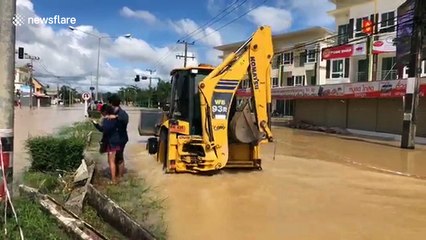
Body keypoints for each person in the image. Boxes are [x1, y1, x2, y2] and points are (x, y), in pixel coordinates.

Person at [92, 104, 121, 184]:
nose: (101, 114)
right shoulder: (114, 118)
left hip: (112, 142)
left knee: (111, 161)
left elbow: (104, 130)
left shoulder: (108, 119)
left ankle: (114, 180)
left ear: (105, 112)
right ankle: (115, 176)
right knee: (110, 160)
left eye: (102, 112)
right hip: (113, 141)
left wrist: (96, 124)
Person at [106, 94, 129, 178]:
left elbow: (124, 119)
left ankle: (114, 180)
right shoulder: (121, 113)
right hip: (121, 139)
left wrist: (115, 117)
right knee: (119, 158)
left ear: (111, 103)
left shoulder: (121, 114)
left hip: (117, 139)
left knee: (112, 159)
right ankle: (120, 177)